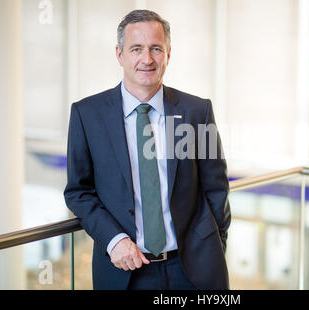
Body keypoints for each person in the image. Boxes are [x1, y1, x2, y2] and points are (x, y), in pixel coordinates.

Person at [63, 9, 231, 290]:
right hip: (125, 272)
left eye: (156, 48)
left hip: (194, 270)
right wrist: (114, 239)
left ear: (168, 54)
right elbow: (78, 192)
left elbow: (216, 187)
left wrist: (214, 246)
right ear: (119, 54)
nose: (147, 59)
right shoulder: (87, 115)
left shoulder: (197, 110)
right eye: (136, 49)